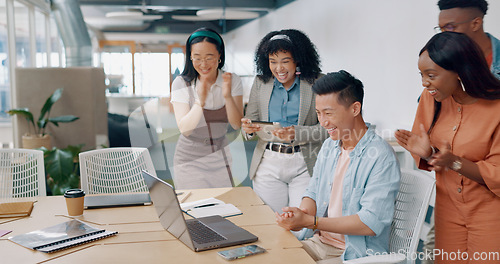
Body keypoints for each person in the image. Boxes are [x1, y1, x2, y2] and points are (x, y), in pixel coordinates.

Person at [395, 32, 500, 264]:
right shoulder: (430, 98)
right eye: (421, 75)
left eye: (431, 75)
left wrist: (454, 161)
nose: (424, 82)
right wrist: (429, 154)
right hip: (448, 208)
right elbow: (430, 152)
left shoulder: (496, 107)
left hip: (490, 213)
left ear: (461, 71)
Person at [276, 71, 401, 263]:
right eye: (318, 113)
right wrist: (301, 215)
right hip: (320, 243)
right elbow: (314, 192)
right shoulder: (329, 146)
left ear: (355, 108)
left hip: (354, 254)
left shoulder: (381, 156)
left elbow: (369, 223)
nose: (323, 122)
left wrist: (310, 221)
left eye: (329, 113)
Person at [241, 29, 328, 213]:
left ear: (297, 60)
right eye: (273, 62)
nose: (278, 68)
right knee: (270, 221)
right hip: (268, 162)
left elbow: (329, 128)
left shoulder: (317, 82)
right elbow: (250, 121)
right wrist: (248, 129)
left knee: (302, 223)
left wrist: (298, 133)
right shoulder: (261, 83)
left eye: (285, 61)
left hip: (306, 161)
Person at [170, 28, 243, 189]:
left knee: (223, 208)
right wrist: (200, 102)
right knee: (194, 209)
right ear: (190, 57)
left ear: (219, 56)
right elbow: (185, 129)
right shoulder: (182, 83)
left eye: (209, 58)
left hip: (220, 156)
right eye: (197, 58)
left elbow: (237, 124)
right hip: (189, 158)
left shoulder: (232, 80)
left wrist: (228, 96)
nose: (203, 64)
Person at [435, 0, 500, 79]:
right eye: (441, 29)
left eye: (449, 27)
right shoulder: (443, 61)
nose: (443, 35)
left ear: (476, 24)